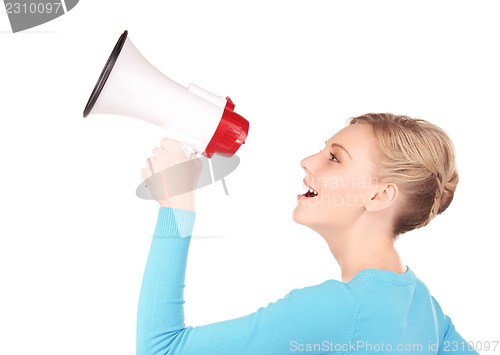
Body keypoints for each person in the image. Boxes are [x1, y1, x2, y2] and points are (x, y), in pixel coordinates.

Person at [136, 113, 478, 354]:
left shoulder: (338, 309)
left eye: (334, 158)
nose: (307, 161)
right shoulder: (423, 308)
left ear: (380, 196)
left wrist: (176, 206)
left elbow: (161, 350)